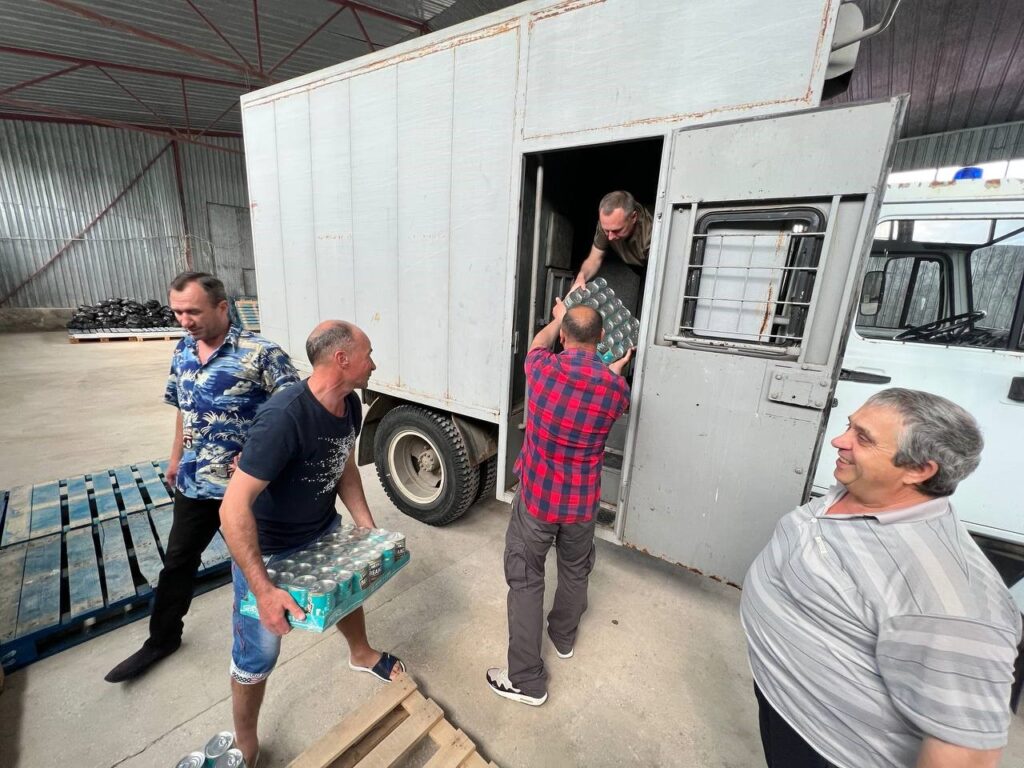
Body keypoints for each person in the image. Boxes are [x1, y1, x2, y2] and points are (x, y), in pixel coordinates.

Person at [741, 388, 1022, 768]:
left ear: (919, 470)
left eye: (863, 438)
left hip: (829, 750)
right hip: (788, 704)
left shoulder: (952, 603)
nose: (839, 441)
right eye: (849, 426)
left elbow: (965, 755)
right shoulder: (860, 489)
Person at [219, 320, 405, 766]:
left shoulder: (350, 404)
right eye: (368, 354)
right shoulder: (284, 417)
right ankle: (246, 739)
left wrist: (363, 526)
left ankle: (360, 654)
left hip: (320, 530)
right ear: (342, 359)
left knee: (347, 592)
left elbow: (343, 465)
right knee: (258, 651)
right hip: (270, 551)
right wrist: (263, 590)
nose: (374, 363)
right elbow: (232, 509)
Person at [105, 272, 298, 683]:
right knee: (177, 563)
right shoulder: (183, 350)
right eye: (177, 312)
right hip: (195, 482)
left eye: (193, 311)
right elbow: (184, 408)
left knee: (257, 569)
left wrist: (261, 452)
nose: (184, 320)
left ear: (222, 307)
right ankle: (162, 639)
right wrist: (175, 459)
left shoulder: (261, 353)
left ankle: (268, 641)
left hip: (246, 490)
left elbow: (293, 413)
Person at [487, 300, 632, 706]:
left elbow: (537, 343)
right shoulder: (614, 388)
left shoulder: (543, 369)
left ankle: (527, 680)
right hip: (582, 505)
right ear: (602, 338)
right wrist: (614, 368)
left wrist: (556, 319)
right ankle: (563, 637)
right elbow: (610, 392)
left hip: (537, 501)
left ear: (565, 338)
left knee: (526, 579)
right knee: (575, 570)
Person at [571, 190, 653, 292]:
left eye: (616, 230)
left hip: (651, 268)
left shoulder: (651, 233)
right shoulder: (608, 224)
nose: (610, 237)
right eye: (606, 230)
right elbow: (594, 259)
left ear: (633, 217)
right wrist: (581, 277)